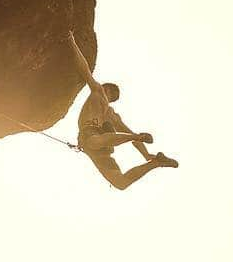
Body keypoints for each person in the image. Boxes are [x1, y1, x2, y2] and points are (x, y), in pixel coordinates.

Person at [67, 31, 178, 189]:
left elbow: (84, 69)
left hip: (91, 136)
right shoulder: (112, 116)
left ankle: (149, 156)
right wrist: (145, 154)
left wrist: (71, 40)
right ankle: (156, 163)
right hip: (101, 147)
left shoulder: (98, 91)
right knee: (120, 182)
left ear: (107, 89)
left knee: (94, 141)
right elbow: (132, 138)